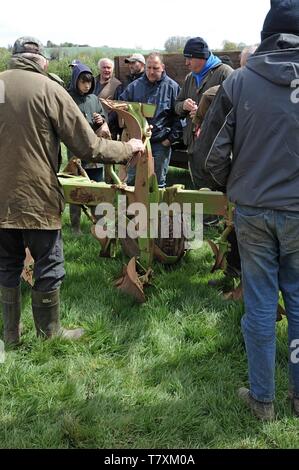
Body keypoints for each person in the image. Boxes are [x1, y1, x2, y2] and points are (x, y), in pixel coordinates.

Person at [192, 0, 299, 420]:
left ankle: (262, 400)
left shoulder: (239, 81)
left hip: (253, 210)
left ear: (266, 35)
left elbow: (209, 158)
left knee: (257, 303)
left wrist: (233, 186)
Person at [0, 37, 144, 345]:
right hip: (36, 196)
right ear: (44, 62)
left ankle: (10, 334)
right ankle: (50, 334)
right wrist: (127, 148)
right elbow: (87, 146)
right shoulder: (49, 90)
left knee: (7, 264)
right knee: (48, 264)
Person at [120, 52, 182, 188]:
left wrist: (169, 140)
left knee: (158, 184)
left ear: (163, 67)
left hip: (160, 144)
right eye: (148, 68)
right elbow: (121, 107)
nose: (151, 72)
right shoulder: (134, 86)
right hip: (137, 142)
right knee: (131, 181)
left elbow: (180, 116)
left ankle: (156, 210)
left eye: (155, 68)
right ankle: (132, 209)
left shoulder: (172, 87)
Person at [174, 37, 233, 168]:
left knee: (217, 187)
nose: (186, 63)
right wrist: (183, 105)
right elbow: (176, 105)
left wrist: (204, 112)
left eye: (189, 58)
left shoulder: (225, 73)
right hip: (193, 146)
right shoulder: (190, 78)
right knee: (197, 185)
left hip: (216, 148)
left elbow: (235, 109)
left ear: (201, 57)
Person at [68, 62, 108, 234]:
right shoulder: (68, 98)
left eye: (89, 82)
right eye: (83, 82)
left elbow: (104, 117)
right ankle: (75, 227)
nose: (86, 85)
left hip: (95, 154)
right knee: (76, 192)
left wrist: (101, 119)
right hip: (77, 153)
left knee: (97, 190)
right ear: (75, 81)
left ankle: (98, 226)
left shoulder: (94, 99)